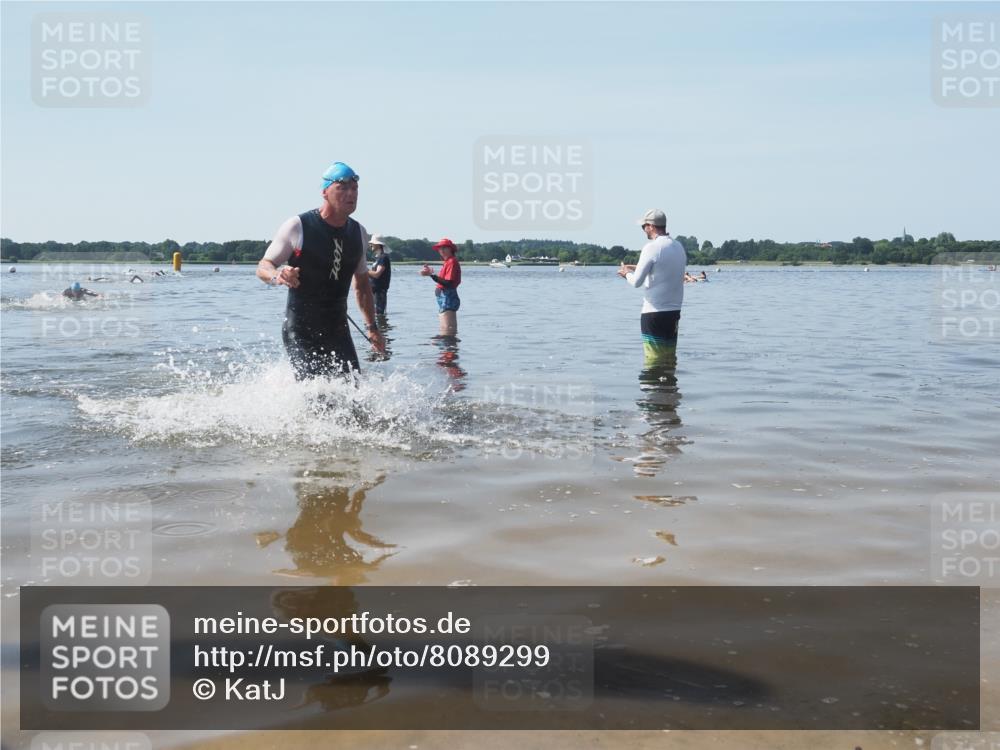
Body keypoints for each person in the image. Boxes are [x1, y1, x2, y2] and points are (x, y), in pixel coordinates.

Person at [256, 161, 385, 379]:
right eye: (342, 187)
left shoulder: (359, 233)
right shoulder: (298, 226)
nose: (350, 193)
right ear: (325, 192)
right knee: (314, 395)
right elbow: (263, 266)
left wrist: (372, 328)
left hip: (338, 329)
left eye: (354, 188)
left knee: (353, 393)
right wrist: (278, 275)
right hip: (301, 329)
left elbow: (362, 286)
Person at [618, 209, 686, 364]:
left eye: (644, 226)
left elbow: (636, 282)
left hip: (653, 313)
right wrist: (635, 268)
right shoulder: (678, 247)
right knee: (669, 359)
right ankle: (670, 387)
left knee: (653, 361)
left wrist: (626, 273)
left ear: (651, 226)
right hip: (673, 312)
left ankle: (655, 387)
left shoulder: (651, 247)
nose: (644, 230)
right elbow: (662, 269)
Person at [420, 238, 462, 335]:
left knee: (448, 329)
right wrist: (431, 274)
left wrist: (431, 275)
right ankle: (447, 349)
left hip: (448, 296)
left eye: (444, 248)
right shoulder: (447, 262)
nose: (441, 251)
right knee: (445, 329)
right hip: (444, 296)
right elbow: (444, 281)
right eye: (440, 248)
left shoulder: (452, 261)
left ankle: (449, 349)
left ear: (451, 249)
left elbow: (448, 282)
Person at [367, 234, 392, 316]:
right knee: (374, 314)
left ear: (378, 244)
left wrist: (364, 270)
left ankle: (381, 328)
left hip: (379, 291)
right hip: (374, 291)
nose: (370, 245)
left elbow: (377, 274)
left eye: (372, 243)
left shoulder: (383, 258)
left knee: (379, 315)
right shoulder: (378, 258)